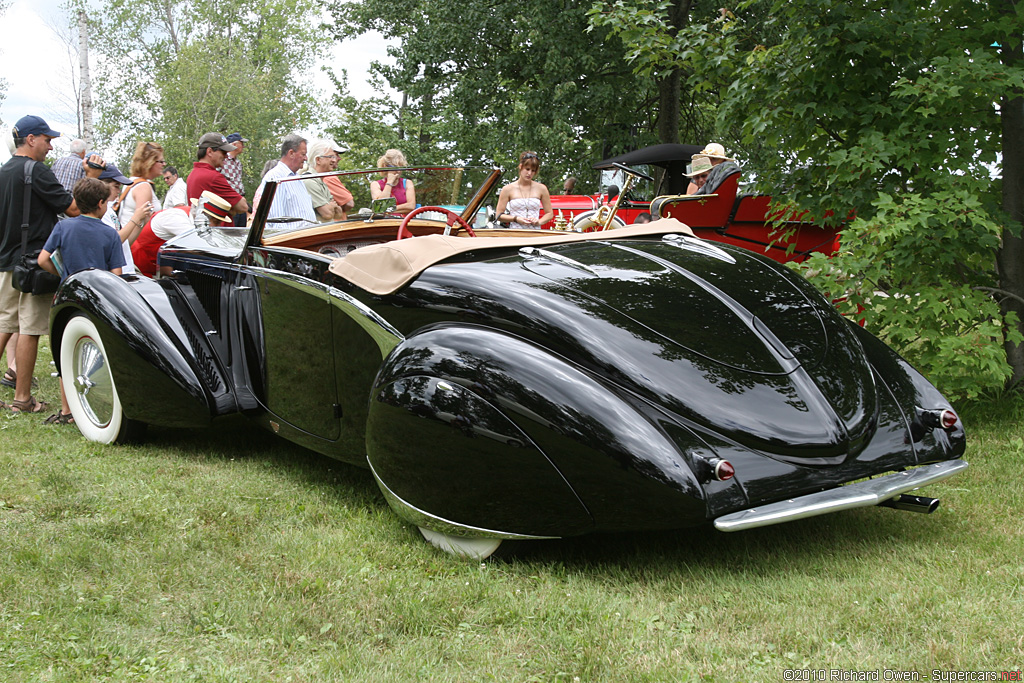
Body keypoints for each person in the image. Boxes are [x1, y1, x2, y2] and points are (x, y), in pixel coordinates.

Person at [0, 115, 103, 414]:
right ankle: (22, 399)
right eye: (47, 140)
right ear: (31, 139)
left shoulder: (4, 171)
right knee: (30, 329)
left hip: (6, 261)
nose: (49, 147)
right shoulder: (38, 171)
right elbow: (73, 208)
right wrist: (90, 176)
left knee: (5, 325)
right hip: (33, 263)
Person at [37, 177, 126, 424]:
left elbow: (43, 260)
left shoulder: (63, 227)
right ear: (100, 204)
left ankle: (68, 411)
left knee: (66, 350)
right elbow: (115, 275)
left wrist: (64, 275)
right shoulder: (110, 234)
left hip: (67, 296)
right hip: (97, 300)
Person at [132, 191, 230, 278]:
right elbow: (202, 246)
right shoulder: (177, 219)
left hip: (155, 265)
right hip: (141, 265)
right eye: (216, 222)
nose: (217, 226)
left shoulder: (190, 216)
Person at [115, 142, 165, 271]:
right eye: (161, 161)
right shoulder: (144, 186)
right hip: (137, 248)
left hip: (128, 243)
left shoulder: (131, 181)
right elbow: (143, 221)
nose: (164, 165)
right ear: (150, 162)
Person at [100, 163, 152, 275]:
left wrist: (141, 221)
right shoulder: (101, 213)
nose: (119, 191)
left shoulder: (110, 211)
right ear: (102, 184)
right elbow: (114, 241)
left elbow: (125, 243)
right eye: (116, 186)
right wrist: (136, 217)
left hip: (126, 270)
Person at [252, 134, 316, 225]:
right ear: (291, 153)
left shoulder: (297, 179)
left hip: (306, 236)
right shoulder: (276, 178)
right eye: (303, 154)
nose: (306, 158)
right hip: (291, 238)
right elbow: (276, 220)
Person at [186, 133, 248, 225]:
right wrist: (232, 209)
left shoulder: (193, 174)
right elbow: (243, 207)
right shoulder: (213, 177)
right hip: (219, 235)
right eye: (223, 152)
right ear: (210, 151)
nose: (226, 156)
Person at [495, 151, 554, 229]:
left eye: (533, 170)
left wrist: (538, 221)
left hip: (535, 234)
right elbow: (499, 215)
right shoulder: (507, 189)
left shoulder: (541, 188)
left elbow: (549, 213)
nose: (529, 173)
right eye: (527, 169)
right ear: (520, 166)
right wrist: (516, 219)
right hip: (516, 234)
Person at [302, 140, 346, 222]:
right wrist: (332, 205)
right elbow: (328, 214)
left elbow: (338, 213)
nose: (334, 160)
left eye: (334, 157)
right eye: (330, 157)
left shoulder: (320, 181)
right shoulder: (309, 181)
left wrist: (330, 206)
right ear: (318, 160)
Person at [369, 149, 416, 215]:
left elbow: (411, 206)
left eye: (401, 167)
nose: (399, 171)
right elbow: (380, 207)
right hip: (386, 223)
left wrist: (388, 209)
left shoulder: (408, 183)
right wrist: (389, 182)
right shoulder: (375, 184)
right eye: (395, 167)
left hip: (405, 222)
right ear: (385, 167)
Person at [220, 132, 248, 226]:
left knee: (241, 233)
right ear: (234, 144)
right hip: (229, 204)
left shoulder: (238, 163)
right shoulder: (222, 161)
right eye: (241, 143)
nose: (243, 146)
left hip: (240, 201)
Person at [321, 141, 354, 217]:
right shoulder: (329, 178)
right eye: (334, 155)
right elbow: (349, 204)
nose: (339, 158)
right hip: (336, 226)